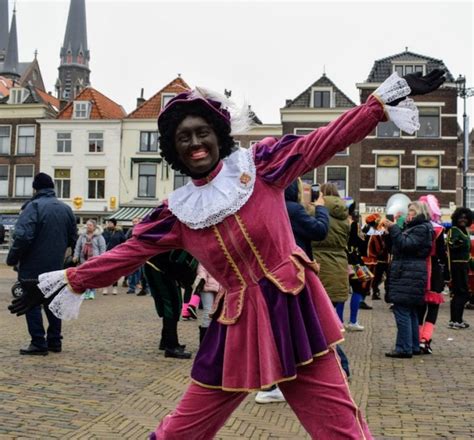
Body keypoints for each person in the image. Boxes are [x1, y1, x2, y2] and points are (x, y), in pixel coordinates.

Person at [9, 69, 445, 439]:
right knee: (184, 428)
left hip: (293, 307)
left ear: (218, 136)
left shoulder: (261, 167)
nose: (195, 142)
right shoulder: (177, 212)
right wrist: (65, 280)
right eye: (183, 137)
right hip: (236, 322)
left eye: (202, 132)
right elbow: (126, 254)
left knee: (338, 427)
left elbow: (322, 142)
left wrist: (378, 104)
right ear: (173, 149)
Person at [6, 172, 77, 355]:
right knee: (53, 302)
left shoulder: (33, 206)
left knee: (31, 303)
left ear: (35, 188)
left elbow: (22, 236)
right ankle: (54, 341)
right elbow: (73, 238)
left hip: (33, 267)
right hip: (57, 268)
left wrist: (12, 258)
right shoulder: (66, 209)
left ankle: (38, 342)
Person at [381, 202, 434, 358]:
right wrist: (392, 232)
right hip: (410, 272)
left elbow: (405, 245)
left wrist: (395, 229)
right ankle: (413, 345)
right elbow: (396, 245)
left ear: (419, 213)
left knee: (402, 310)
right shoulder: (418, 228)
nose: (408, 214)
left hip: (407, 272)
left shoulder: (421, 229)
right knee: (410, 311)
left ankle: (404, 348)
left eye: (412, 211)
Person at [312, 182, 351, 377]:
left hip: (322, 270)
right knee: (326, 322)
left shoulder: (317, 213)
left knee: (320, 326)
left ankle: (340, 366)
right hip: (339, 269)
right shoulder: (345, 217)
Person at [144, 252, 192, 359]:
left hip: (161, 266)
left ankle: (166, 341)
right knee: (172, 305)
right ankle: (171, 346)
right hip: (161, 267)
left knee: (173, 304)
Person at [416, 195, 448, 353]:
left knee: (419, 308)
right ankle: (425, 339)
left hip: (419, 269)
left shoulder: (415, 228)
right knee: (433, 307)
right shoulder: (438, 229)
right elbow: (442, 254)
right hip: (434, 271)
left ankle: (417, 338)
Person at [447, 207, 473, 329]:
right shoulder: (454, 230)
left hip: (464, 265)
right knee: (461, 293)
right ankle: (455, 320)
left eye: (465, 217)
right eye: (460, 217)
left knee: (461, 293)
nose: (463, 219)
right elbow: (451, 244)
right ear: (456, 218)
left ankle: (456, 319)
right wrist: (459, 243)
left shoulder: (465, 231)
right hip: (457, 265)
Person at [73, 219, 106, 300]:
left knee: (92, 276)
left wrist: (102, 259)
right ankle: (86, 291)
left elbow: (102, 248)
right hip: (83, 258)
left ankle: (92, 291)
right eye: (87, 225)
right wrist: (75, 256)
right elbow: (78, 247)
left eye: (90, 225)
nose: (88, 226)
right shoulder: (82, 236)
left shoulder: (99, 236)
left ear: (94, 227)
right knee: (84, 276)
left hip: (94, 259)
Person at [101, 218, 126, 295]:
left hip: (116, 254)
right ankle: (105, 287)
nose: (109, 224)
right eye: (108, 223)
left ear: (114, 224)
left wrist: (122, 252)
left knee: (115, 271)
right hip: (106, 254)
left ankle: (114, 287)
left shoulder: (119, 232)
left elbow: (124, 242)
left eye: (111, 223)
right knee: (105, 271)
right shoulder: (104, 232)